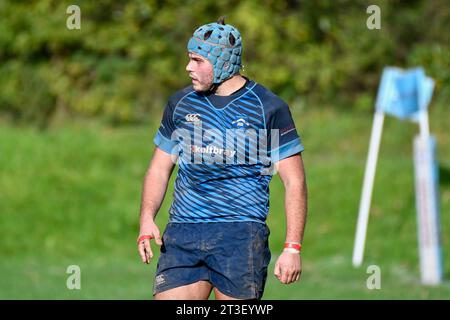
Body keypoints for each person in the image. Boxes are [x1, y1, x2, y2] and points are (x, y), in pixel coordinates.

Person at [137, 17, 308, 300]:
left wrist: (293, 247)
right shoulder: (180, 103)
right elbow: (159, 168)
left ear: (223, 63)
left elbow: (295, 182)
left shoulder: (268, 107)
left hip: (240, 236)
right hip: (182, 232)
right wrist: (146, 220)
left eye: (197, 60)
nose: (188, 67)